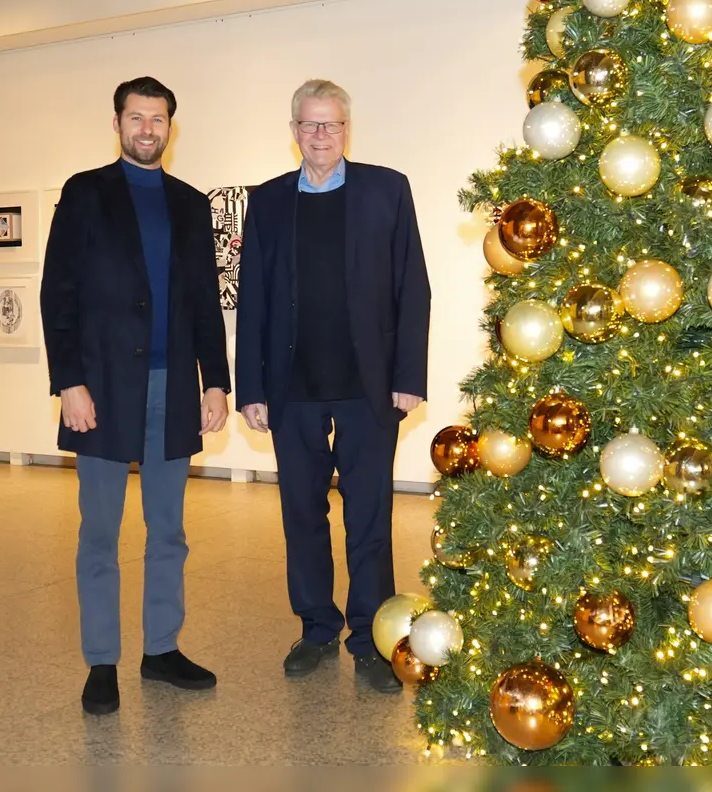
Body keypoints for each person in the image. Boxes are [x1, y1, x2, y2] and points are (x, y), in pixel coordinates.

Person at [40, 76, 231, 715]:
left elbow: (206, 299)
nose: (147, 129)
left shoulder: (189, 202)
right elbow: (57, 295)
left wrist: (216, 380)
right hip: (101, 389)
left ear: (170, 127)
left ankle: (160, 650)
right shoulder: (85, 193)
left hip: (173, 388)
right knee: (100, 530)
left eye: (158, 119)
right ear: (117, 122)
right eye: (136, 117)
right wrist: (69, 382)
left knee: (168, 529)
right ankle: (101, 661)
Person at [234, 79, 431, 693]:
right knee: (302, 512)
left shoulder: (386, 190)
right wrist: (251, 388)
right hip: (292, 386)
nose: (321, 136)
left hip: (368, 386)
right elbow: (255, 299)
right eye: (310, 125)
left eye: (333, 125)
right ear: (293, 131)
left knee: (369, 514)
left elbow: (413, 288)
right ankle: (316, 627)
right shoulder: (267, 201)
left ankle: (370, 635)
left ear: (348, 129)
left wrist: (408, 376)